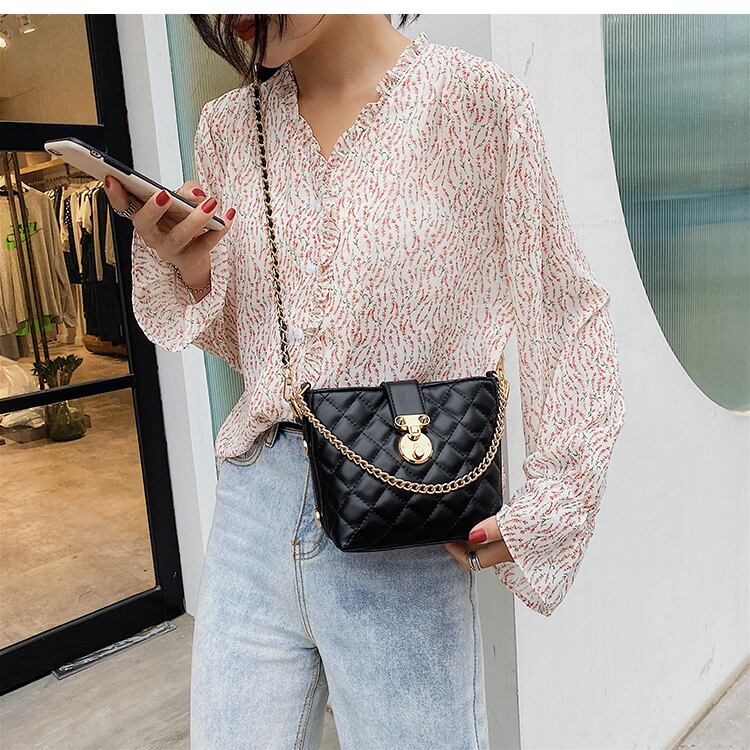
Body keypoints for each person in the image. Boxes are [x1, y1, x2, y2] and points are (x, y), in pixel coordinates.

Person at [104, 14, 626, 749]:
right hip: (255, 512)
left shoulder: (475, 103)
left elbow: (568, 314)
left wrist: (555, 499)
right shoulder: (228, 127)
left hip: (399, 509)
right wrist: (192, 270)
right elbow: (260, 351)